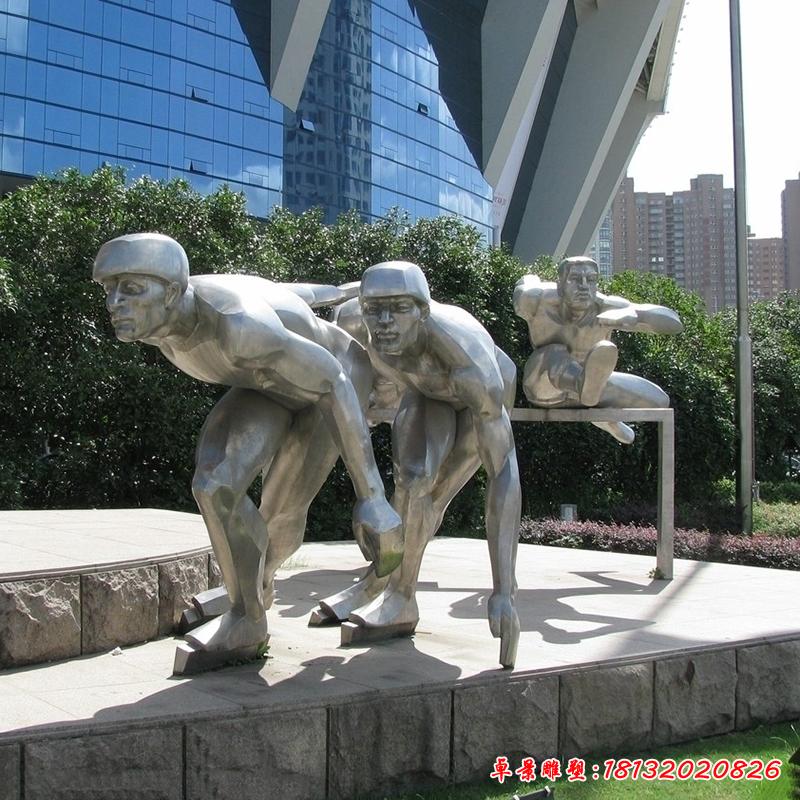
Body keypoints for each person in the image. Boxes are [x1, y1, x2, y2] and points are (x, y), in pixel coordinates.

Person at [92, 232, 402, 667]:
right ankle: (248, 612)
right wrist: (334, 290)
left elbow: (332, 380)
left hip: (332, 383)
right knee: (214, 485)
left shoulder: (237, 326)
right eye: (110, 289)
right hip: (266, 386)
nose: (115, 303)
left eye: (131, 289)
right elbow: (273, 290)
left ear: (172, 292)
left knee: (280, 511)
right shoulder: (157, 322)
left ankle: (255, 589)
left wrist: (372, 496)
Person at [317, 261, 521, 668]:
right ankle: (385, 587)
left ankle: (399, 592)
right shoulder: (355, 324)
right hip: (426, 393)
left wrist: (503, 591)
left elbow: (503, 471)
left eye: (399, 308)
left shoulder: (467, 360)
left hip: (474, 400)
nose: (384, 322)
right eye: (374, 309)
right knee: (410, 483)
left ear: (423, 311)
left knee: (433, 496)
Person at [512, 256, 683, 443]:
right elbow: (524, 285)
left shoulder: (607, 306)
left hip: (590, 392)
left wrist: (635, 316)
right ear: (560, 284)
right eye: (575, 279)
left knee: (659, 400)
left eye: (591, 280)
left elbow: (674, 322)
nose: (584, 286)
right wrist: (529, 282)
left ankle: (603, 416)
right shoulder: (538, 300)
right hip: (544, 386)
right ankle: (584, 387)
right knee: (553, 353)